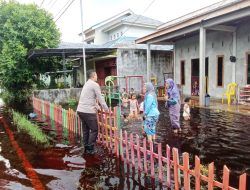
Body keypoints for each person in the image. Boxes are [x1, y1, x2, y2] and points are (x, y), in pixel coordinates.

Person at [77, 70, 109, 154]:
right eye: (96, 75)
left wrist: (98, 107)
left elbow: (91, 99)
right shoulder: (95, 85)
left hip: (80, 110)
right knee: (94, 129)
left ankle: (86, 147)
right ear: (93, 76)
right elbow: (100, 98)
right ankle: (90, 148)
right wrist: (106, 109)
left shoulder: (86, 84)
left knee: (86, 130)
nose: (97, 76)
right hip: (88, 111)